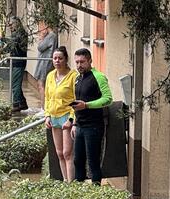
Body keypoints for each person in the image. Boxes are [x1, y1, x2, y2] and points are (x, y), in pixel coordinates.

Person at [70, 48, 112, 184]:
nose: (79, 65)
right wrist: (74, 123)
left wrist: (87, 105)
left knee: (93, 160)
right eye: (76, 62)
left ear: (90, 61)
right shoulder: (77, 79)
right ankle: (80, 192)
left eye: (82, 62)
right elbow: (76, 103)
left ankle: (96, 188)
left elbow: (108, 99)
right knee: (78, 160)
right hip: (80, 125)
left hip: (94, 126)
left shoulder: (98, 77)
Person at [44, 46, 78, 182]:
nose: (57, 61)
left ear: (66, 59)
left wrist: (71, 119)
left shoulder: (73, 76)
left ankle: (71, 182)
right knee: (59, 153)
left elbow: (76, 99)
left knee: (67, 153)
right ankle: (65, 181)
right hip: (53, 116)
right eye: (55, 58)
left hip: (66, 116)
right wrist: (47, 115)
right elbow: (47, 97)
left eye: (60, 58)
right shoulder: (50, 76)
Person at [7, 17, 29, 112]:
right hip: (15, 61)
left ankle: (15, 104)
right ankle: (23, 103)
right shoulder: (17, 33)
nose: (10, 26)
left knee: (15, 84)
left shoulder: (20, 33)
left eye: (11, 24)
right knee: (16, 83)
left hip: (18, 62)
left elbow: (12, 44)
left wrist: (2, 39)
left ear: (16, 23)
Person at [34, 26, 57, 102]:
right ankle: (44, 107)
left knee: (41, 84)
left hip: (45, 63)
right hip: (45, 62)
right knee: (42, 85)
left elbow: (40, 47)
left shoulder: (51, 36)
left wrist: (41, 38)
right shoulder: (52, 36)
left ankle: (43, 108)